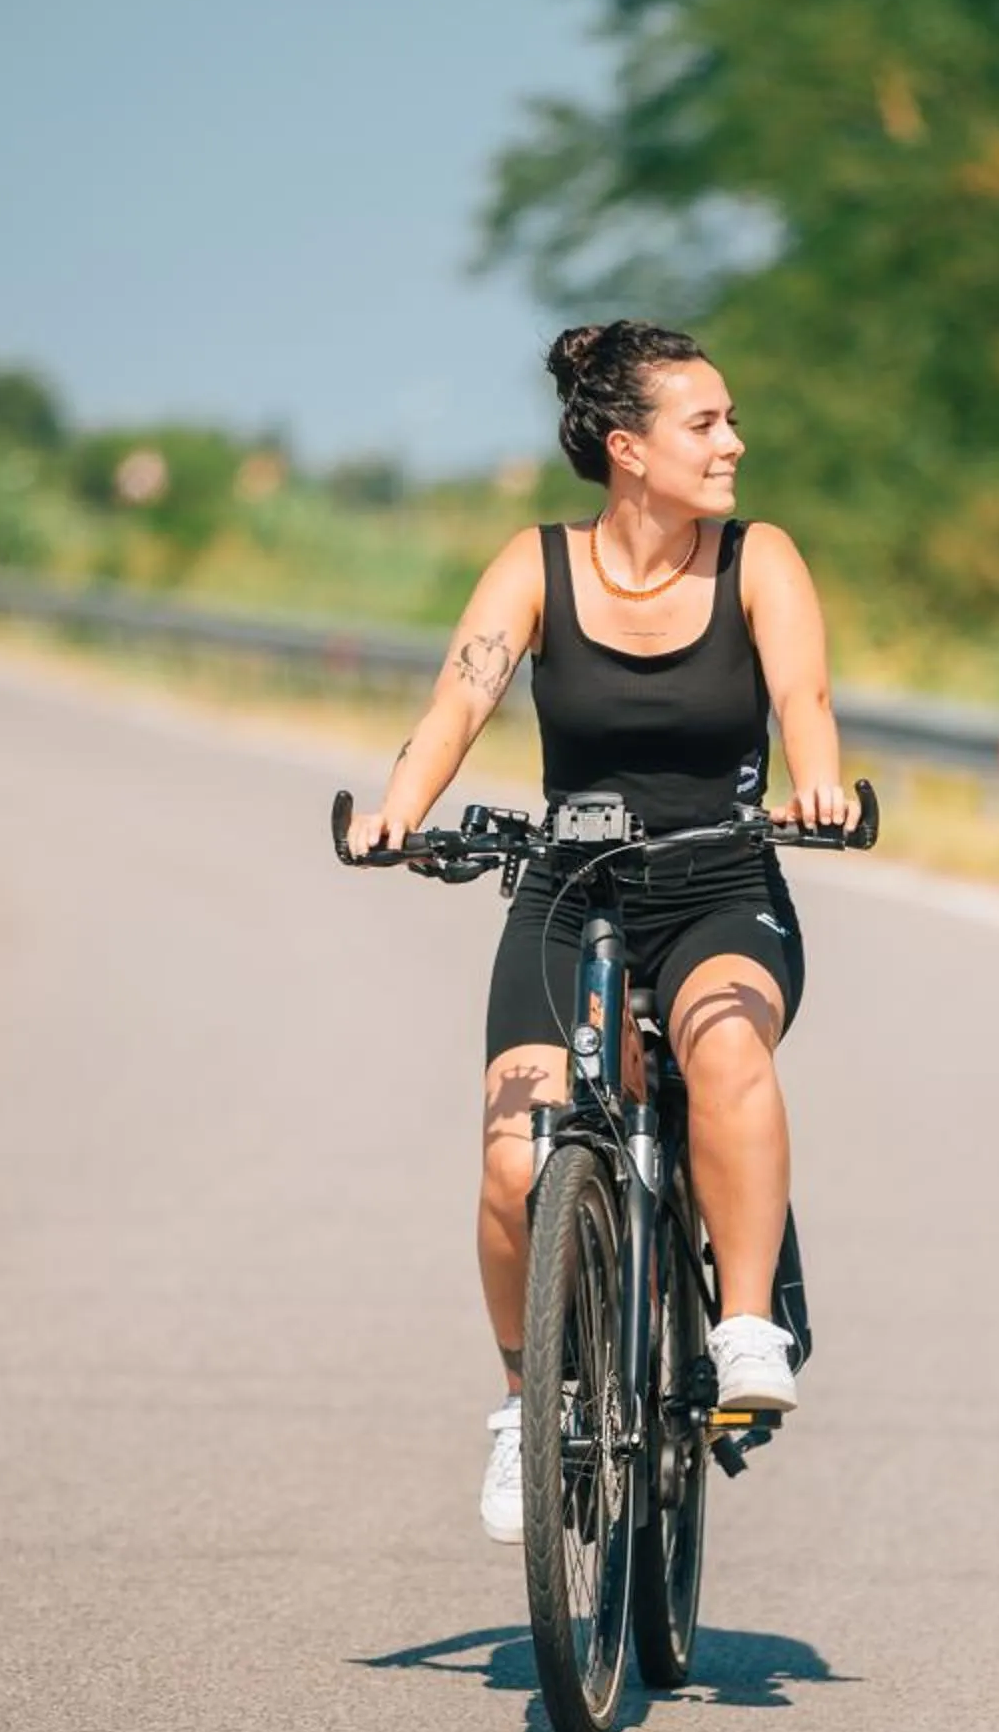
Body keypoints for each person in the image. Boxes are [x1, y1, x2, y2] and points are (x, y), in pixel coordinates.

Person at [347, 319, 857, 1544]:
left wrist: (820, 786)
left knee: (727, 1048)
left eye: (729, 418)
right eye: (705, 424)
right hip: (568, 890)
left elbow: (805, 701)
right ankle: (529, 1409)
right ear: (628, 450)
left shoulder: (758, 560)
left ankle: (741, 1325)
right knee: (519, 1154)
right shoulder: (534, 567)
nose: (734, 441)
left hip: (717, 884)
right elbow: (461, 696)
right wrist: (396, 817)